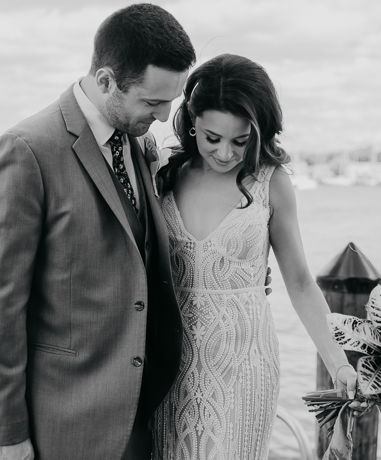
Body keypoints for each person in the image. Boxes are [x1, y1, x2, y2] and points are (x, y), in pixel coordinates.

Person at [0, 3, 196, 460]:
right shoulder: (26, 150)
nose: (165, 117)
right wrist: (5, 435)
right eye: (152, 102)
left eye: (171, 101)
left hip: (139, 422)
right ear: (105, 81)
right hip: (56, 425)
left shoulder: (137, 139)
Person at [151, 54, 358, 459]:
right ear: (192, 123)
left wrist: (339, 364)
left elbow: (299, 282)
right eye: (212, 137)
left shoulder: (272, 183)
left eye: (240, 141)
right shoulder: (164, 174)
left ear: (259, 133)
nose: (226, 153)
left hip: (243, 366)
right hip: (170, 363)